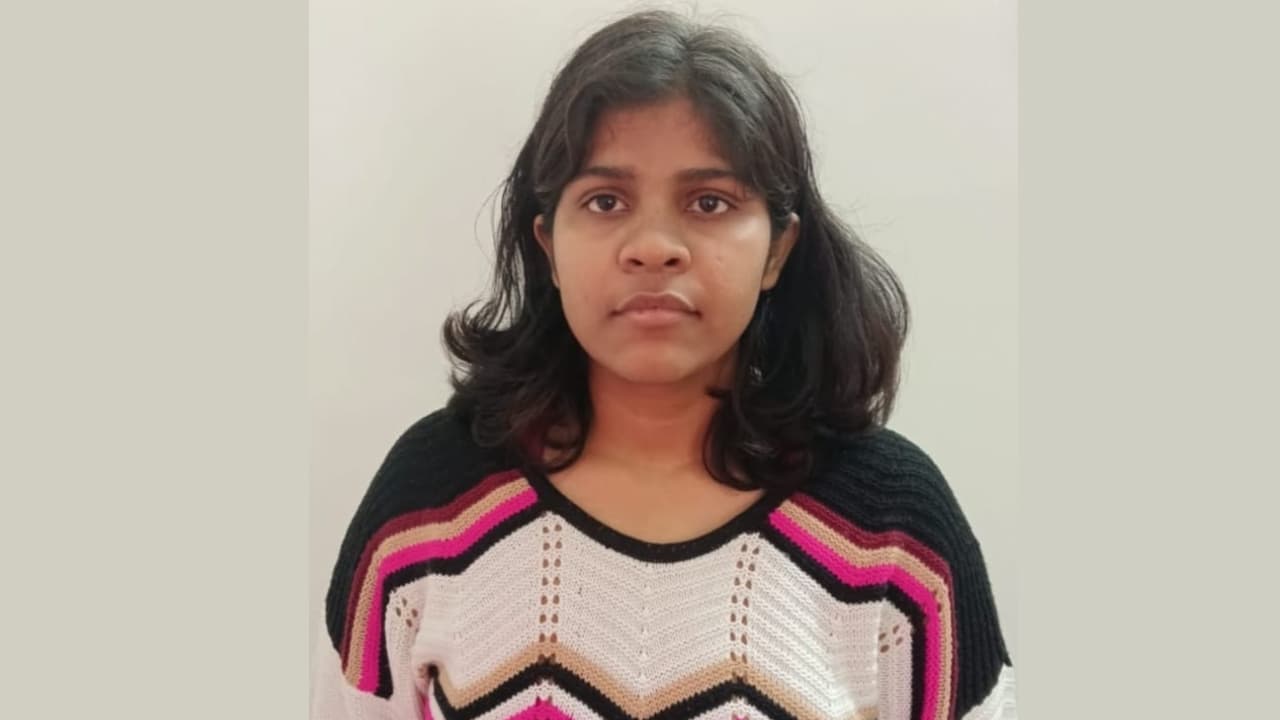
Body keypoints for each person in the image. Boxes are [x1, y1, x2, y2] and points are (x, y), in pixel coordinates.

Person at [312, 8, 1015, 720]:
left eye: (709, 202)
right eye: (605, 200)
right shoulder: (428, 503)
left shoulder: (894, 530)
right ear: (548, 245)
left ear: (777, 249)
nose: (652, 247)